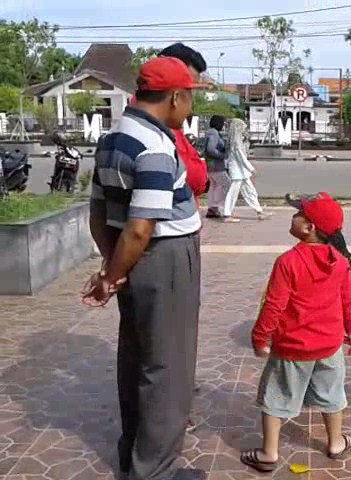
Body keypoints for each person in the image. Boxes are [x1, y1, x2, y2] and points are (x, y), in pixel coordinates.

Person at [83, 56, 205, 480]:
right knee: (167, 368)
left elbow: (99, 213)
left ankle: (133, 456)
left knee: (137, 359)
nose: (190, 107)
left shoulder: (114, 136)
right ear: (175, 96)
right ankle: (155, 471)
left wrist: (111, 268)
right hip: (164, 259)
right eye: (190, 97)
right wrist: (113, 276)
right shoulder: (155, 146)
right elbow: (141, 228)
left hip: (132, 258)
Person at [242, 192, 351, 473]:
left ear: (308, 228)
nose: (294, 216)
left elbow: (274, 305)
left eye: (299, 213)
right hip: (330, 346)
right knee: (332, 395)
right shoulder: (341, 263)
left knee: (276, 396)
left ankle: (269, 453)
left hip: (292, 347)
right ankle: (335, 443)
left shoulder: (288, 262)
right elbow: (347, 301)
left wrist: (260, 338)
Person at [128, 43, 209, 206]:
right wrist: (202, 177)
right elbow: (191, 176)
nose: (189, 100)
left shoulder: (161, 123)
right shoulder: (153, 132)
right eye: (187, 91)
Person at [223, 118, 271, 222]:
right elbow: (241, 158)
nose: (244, 131)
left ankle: (259, 211)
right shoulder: (236, 143)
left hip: (241, 171)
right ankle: (227, 214)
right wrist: (251, 168)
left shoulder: (238, 141)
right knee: (233, 193)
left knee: (250, 191)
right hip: (237, 171)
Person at [205, 115, 228, 218]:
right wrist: (221, 155)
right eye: (223, 123)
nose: (223, 125)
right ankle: (221, 207)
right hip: (216, 165)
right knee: (227, 184)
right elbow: (211, 149)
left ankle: (212, 208)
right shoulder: (214, 133)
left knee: (214, 186)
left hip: (210, 165)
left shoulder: (210, 132)